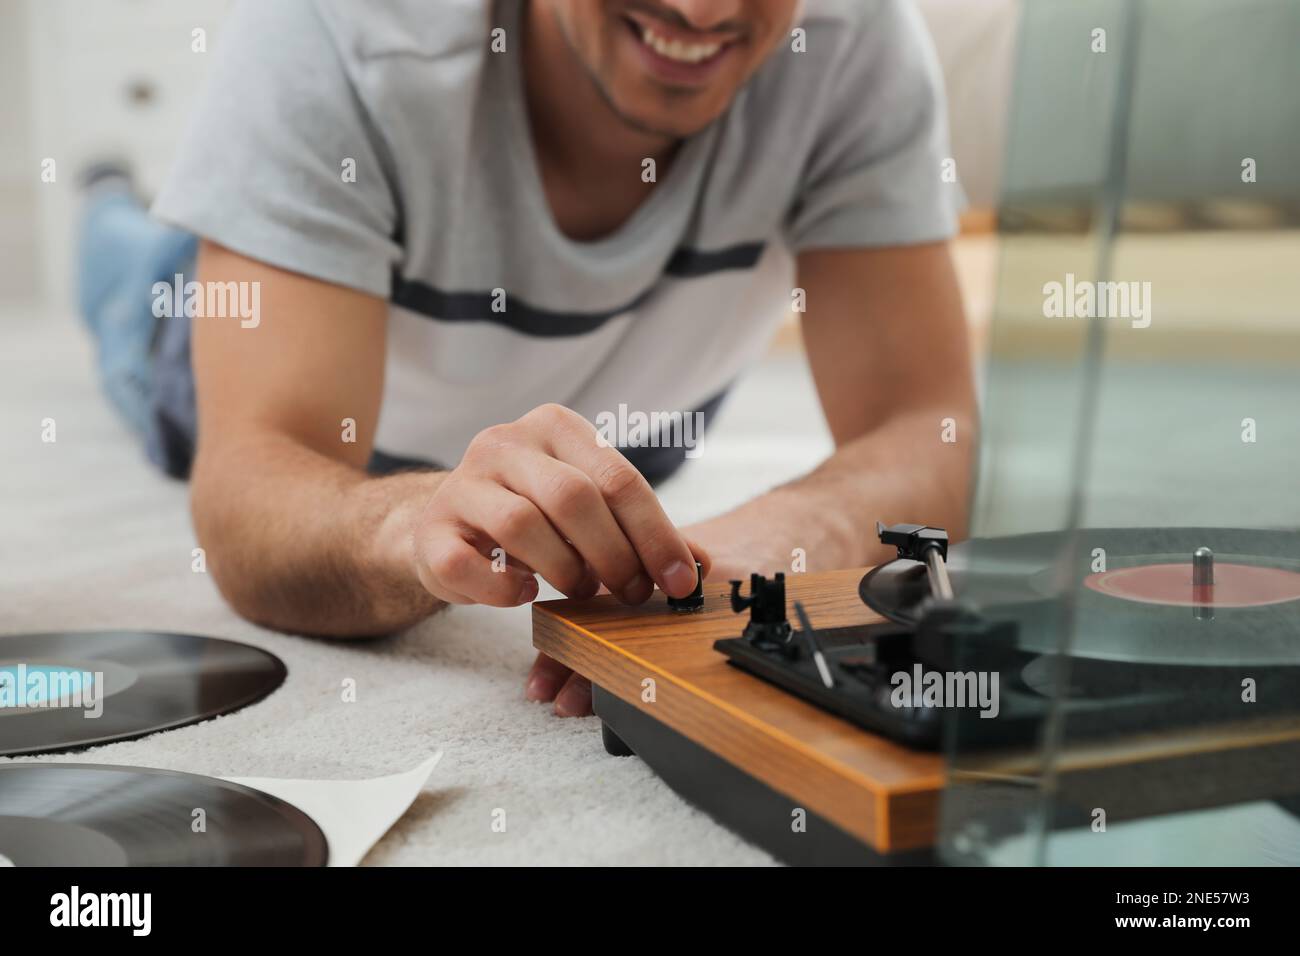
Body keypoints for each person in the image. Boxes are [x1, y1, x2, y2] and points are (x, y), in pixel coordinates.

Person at [78, 0, 975, 718]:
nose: (703, 11)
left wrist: (769, 543)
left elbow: (935, 429)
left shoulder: (857, 40)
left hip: (629, 431)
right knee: (127, 272)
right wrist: (417, 525)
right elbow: (248, 485)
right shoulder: (336, 31)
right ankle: (109, 197)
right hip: (301, 392)